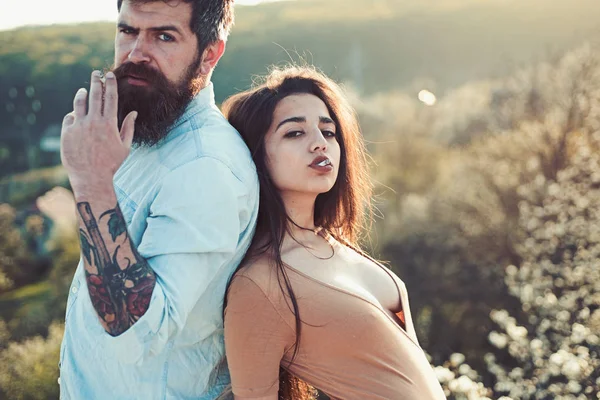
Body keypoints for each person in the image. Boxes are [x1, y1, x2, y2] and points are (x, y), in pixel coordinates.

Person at [58, 0, 258, 398]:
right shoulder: (148, 127)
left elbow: (136, 334)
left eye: (164, 36)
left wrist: (91, 182)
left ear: (209, 55)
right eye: (127, 31)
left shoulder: (204, 168)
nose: (136, 54)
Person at [220, 65, 447, 400]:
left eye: (328, 132)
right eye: (294, 133)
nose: (319, 144)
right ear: (254, 155)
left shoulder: (334, 241)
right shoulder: (259, 286)